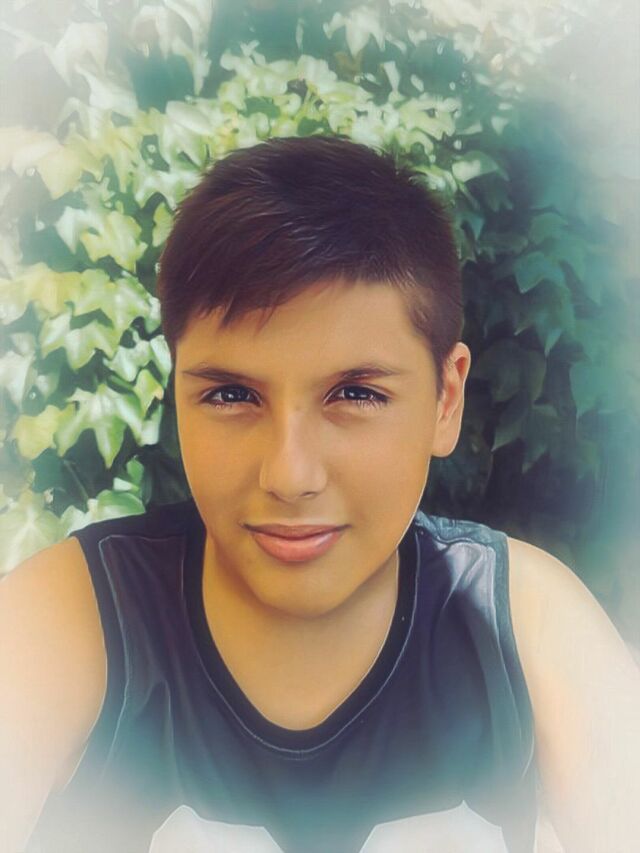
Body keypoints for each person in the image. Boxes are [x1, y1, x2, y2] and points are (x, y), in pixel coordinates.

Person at [1, 135, 639, 853]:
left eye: (356, 394)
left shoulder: (521, 624)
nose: (290, 473)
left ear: (446, 400)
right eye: (231, 394)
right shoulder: (69, 617)